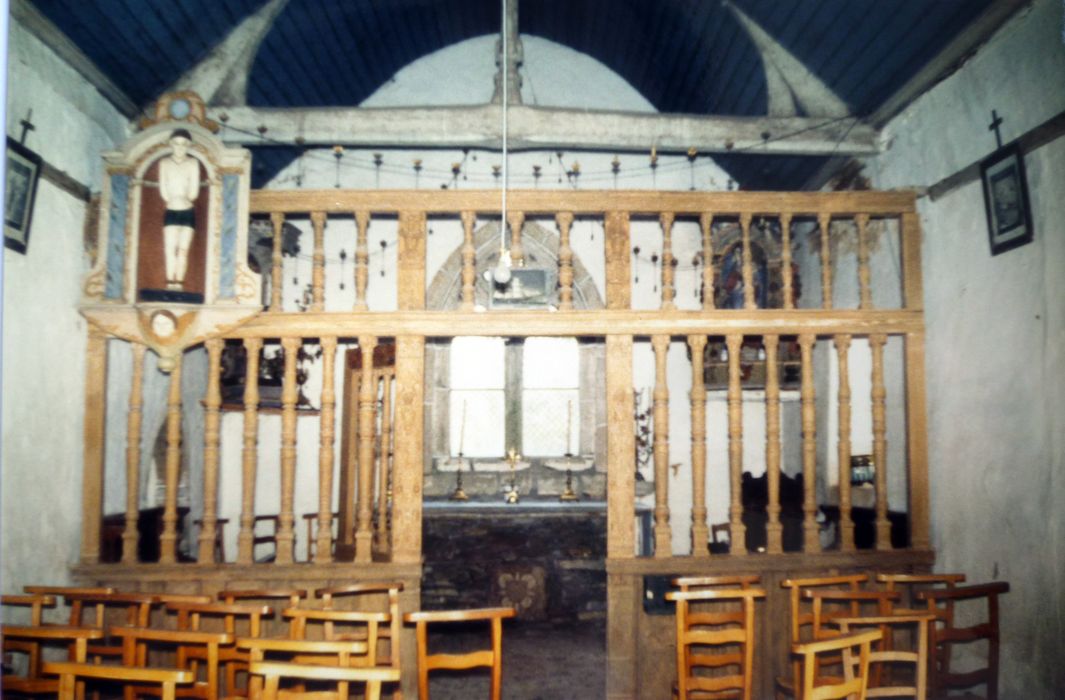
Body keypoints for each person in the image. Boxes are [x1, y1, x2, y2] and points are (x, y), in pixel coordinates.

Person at [158, 129, 200, 290]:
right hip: (171, 210)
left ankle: (179, 284)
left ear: (188, 146)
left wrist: (184, 198)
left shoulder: (193, 163)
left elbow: (194, 191)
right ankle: (169, 283)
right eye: (176, 143)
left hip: (187, 211)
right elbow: (164, 191)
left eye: (183, 144)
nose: (180, 147)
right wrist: (174, 199)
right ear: (171, 144)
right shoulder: (165, 163)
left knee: (183, 250)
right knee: (170, 249)